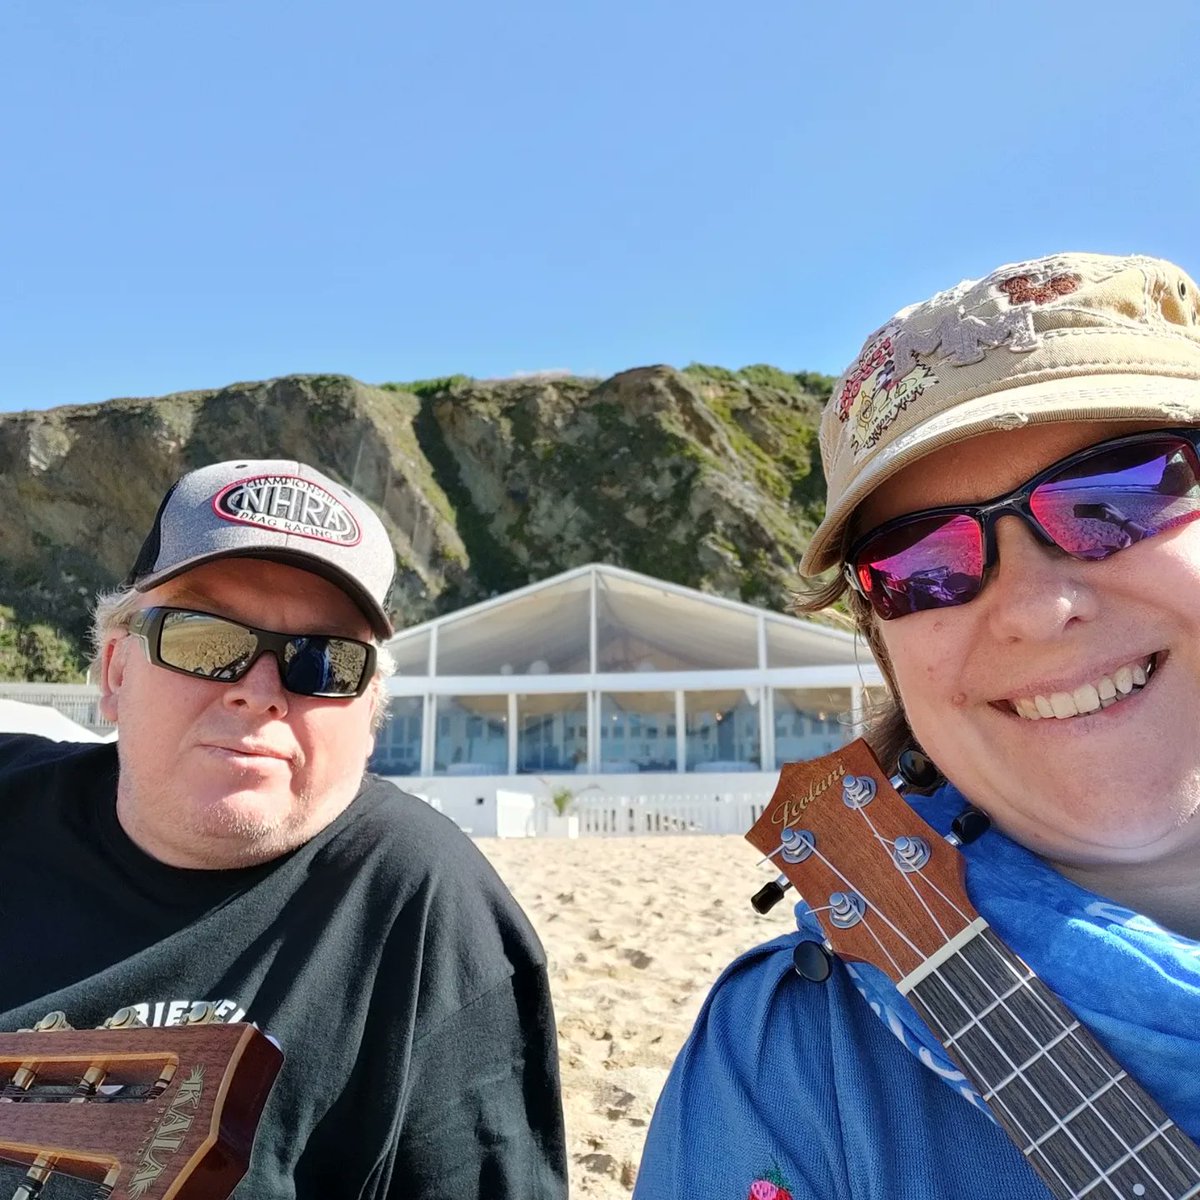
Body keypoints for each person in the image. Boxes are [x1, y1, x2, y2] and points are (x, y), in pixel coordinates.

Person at [635, 252, 1200, 1199]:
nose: (1032, 608)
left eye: (1122, 493)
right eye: (921, 558)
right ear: (883, 644)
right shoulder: (795, 1065)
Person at [0, 459, 568, 1199]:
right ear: (114, 671)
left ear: (370, 719)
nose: (260, 692)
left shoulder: (423, 903)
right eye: (204, 639)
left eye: (324, 662)